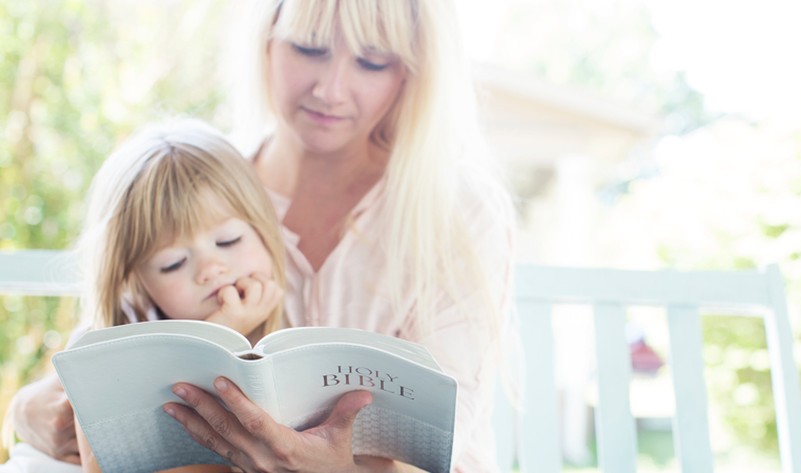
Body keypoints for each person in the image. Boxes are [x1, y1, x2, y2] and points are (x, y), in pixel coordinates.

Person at [9, 0, 516, 471]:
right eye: (309, 48)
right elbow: (98, 361)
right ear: (267, 41)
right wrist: (26, 410)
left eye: (372, 61)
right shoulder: (203, 182)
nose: (331, 89)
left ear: (412, 69)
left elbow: (446, 434)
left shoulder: (459, 210)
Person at [2, 118, 287, 473]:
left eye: (229, 240)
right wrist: (218, 335)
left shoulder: (287, 339)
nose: (211, 268)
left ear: (263, 228)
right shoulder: (103, 346)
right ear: (135, 279)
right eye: (173, 263)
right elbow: (103, 466)